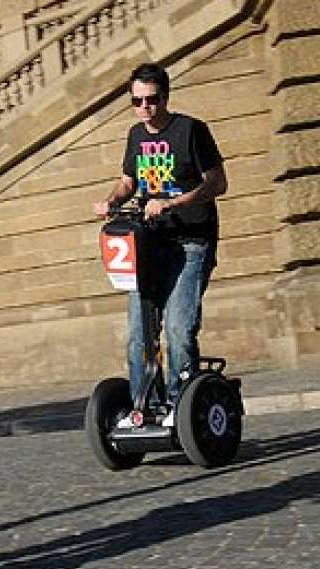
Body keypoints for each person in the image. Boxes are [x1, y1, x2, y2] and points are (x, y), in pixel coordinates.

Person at [93, 63, 227, 407]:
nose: (144, 109)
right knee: (139, 335)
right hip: (149, 243)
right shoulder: (136, 135)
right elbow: (128, 181)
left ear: (165, 97)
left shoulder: (191, 130)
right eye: (136, 101)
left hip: (192, 242)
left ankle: (181, 408)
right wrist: (111, 201)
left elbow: (217, 183)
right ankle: (144, 408)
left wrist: (172, 202)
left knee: (179, 331)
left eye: (151, 100)